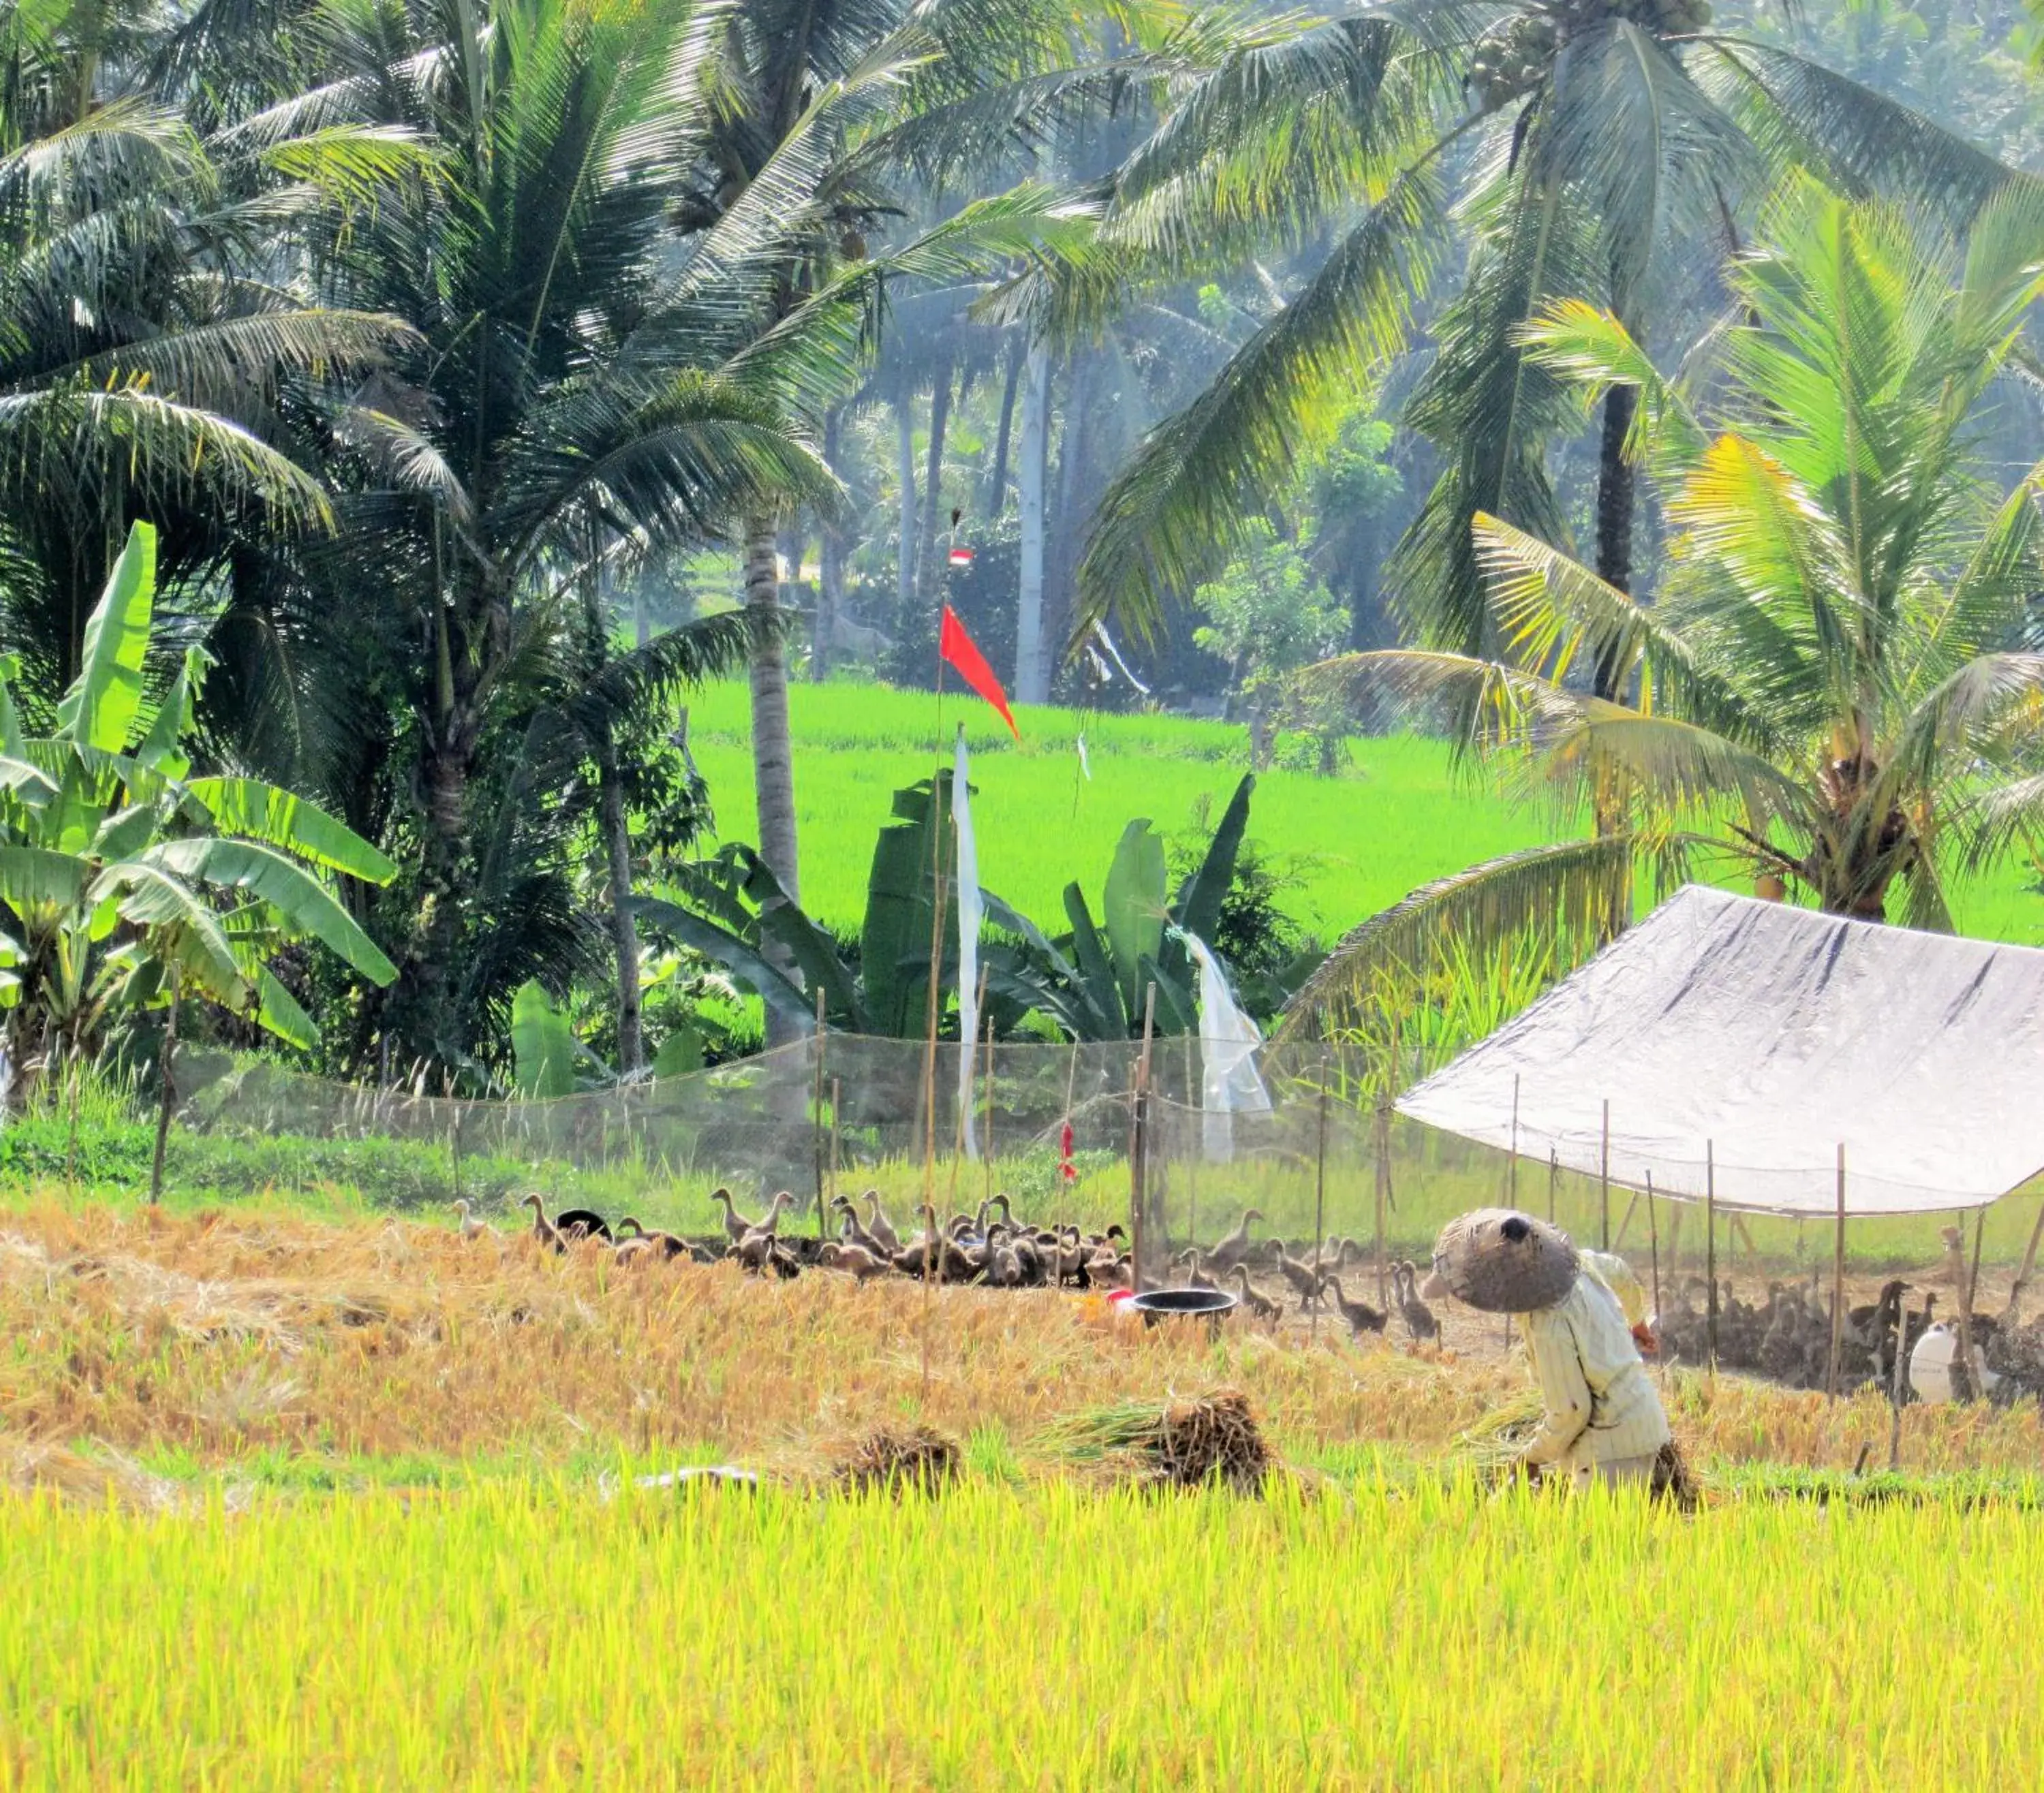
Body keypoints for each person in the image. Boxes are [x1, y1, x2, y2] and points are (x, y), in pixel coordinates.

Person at [1422, 1209, 1671, 1491]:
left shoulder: (1546, 1321)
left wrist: (1530, 1456)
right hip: (1638, 1425)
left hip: (1611, 1447)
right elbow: (1620, 1271)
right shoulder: (1582, 1264)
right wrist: (1637, 1322)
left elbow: (1571, 1411)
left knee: (1593, 1533)